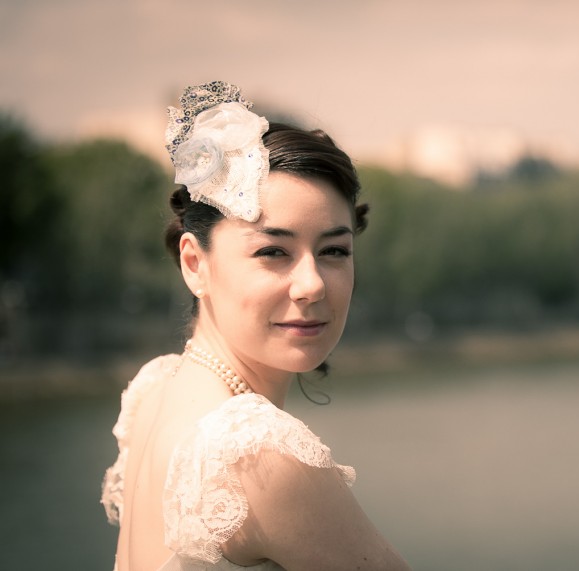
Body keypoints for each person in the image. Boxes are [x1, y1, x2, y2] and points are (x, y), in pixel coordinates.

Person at [100, 81, 410, 571]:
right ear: (194, 264)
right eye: (272, 251)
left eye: (334, 250)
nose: (312, 285)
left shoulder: (159, 388)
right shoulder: (258, 454)